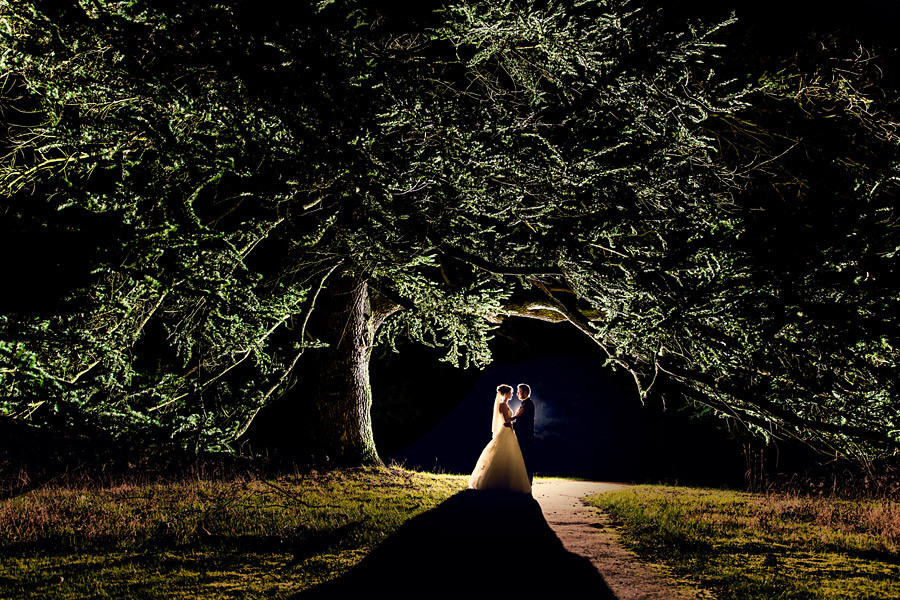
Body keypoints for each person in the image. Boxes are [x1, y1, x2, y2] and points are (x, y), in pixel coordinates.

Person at [467, 384, 531, 494]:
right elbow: (506, 421)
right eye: (511, 392)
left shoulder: (505, 404)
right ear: (505, 393)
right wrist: (516, 416)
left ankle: (507, 481)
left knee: (510, 456)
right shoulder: (502, 404)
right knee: (502, 455)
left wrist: (514, 417)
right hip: (505, 432)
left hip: (509, 432)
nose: (513, 394)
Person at [510, 383, 535, 484]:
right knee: (523, 458)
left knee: (526, 458)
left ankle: (527, 482)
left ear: (525, 392)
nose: (517, 394)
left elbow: (524, 422)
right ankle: (524, 481)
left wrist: (511, 426)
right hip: (523, 436)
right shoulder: (524, 403)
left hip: (526, 436)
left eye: (519, 392)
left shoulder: (528, 404)